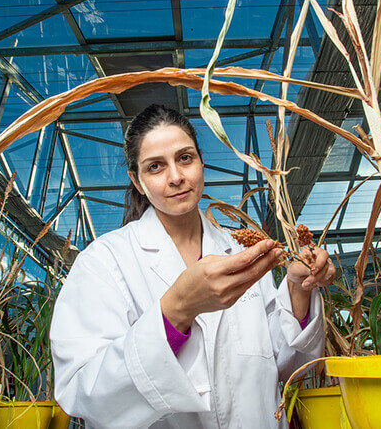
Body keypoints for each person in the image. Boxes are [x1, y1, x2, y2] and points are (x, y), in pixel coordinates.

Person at [50, 104, 335, 428]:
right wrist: (176, 311)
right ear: (137, 180)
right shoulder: (104, 262)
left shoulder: (240, 251)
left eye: (185, 158)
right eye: (155, 166)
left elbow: (281, 363)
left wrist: (298, 288)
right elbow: (83, 391)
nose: (176, 177)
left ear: (200, 159)